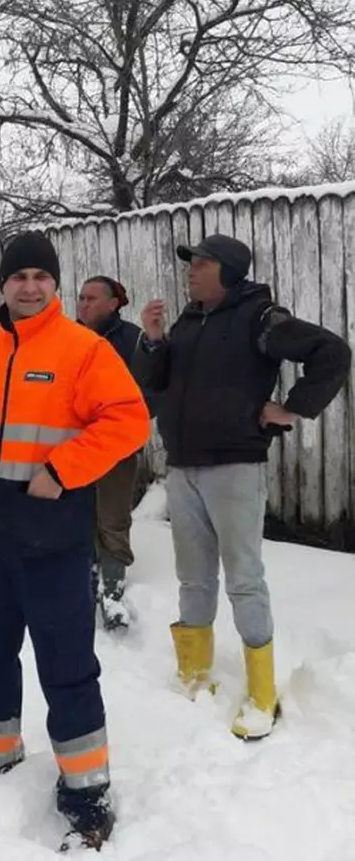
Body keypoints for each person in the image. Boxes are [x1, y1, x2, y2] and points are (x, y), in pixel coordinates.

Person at [0, 232, 150, 849]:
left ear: (54, 285)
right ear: (2, 285)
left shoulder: (82, 350)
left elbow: (129, 419)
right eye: (18, 276)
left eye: (40, 276)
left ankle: (86, 796)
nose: (29, 286)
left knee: (66, 669)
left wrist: (61, 470)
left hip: (54, 546)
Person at [135, 233, 350, 739]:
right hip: (183, 467)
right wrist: (153, 340)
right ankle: (194, 674)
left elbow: (331, 351)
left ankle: (261, 693)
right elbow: (155, 382)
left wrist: (293, 408)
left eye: (201, 263)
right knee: (193, 578)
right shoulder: (188, 320)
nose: (191, 271)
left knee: (244, 579)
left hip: (235, 468)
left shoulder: (260, 318)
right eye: (191, 263)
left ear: (228, 271)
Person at [77, 275, 149, 631]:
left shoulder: (133, 340)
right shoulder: (70, 338)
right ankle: (86, 576)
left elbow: (146, 393)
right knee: (82, 512)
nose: (83, 304)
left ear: (113, 303)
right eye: (81, 298)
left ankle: (113, 587)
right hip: (76, 446)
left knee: (113, 516)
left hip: (117, 447)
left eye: (92, 298)